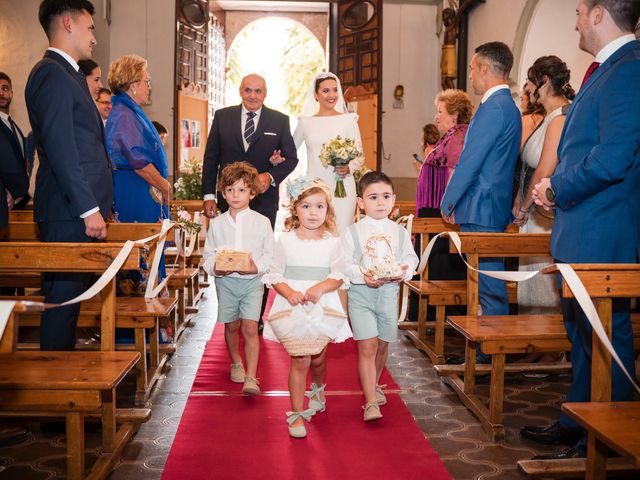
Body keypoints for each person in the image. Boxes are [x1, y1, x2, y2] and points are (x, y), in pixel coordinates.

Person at [524, 0, 640, 460]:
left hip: (603, 229)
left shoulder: (629, 71)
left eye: (578, 11)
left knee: (606, 337)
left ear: (599, 14)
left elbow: (613, 159)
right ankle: (578, 420)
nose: (573, 20)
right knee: (581, 333)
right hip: (583, 226)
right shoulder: (604, 70)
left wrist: (556, 189)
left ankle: (607, 436)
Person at [25, 0, 112, 351]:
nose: (94, 38)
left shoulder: (69, 75)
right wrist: (88, 208)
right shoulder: (51, 73)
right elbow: (62, 149)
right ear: (67, 23)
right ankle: (55, 396)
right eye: (90, 28)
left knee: (70, 305)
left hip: (72, 210)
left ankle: (66, 393)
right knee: (61, 307)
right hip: (68, 212)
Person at [440, 42, 521, 362]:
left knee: (489, 286)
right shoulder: (504, 106)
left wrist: (448, 200)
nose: (470, 74)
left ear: (486, 69)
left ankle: (491, 354)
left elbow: (471, 160)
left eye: (473, 68)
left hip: (483, 206)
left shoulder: (496, 107)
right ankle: (485, 351)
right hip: (487, 205)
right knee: (484, 283)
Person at [262, 176, 351, 438]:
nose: (313, 212)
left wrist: (320, 287)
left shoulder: (333, 242)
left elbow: (338, 275)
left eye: (319, 206)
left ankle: (318, 386)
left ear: (328, 210)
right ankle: (297, 413)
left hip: (321, 304)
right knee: (300, 358)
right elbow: (275, 273)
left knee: (319, 357)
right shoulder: (286, 241)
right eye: (306, 206)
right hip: (295, 306)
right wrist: (289, 292)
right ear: (295, 209)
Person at [343, 172, 419, 421]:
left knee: (383, 344)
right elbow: (345, 263)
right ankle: (370, 401)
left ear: (394, 199)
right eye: (373, 197)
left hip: (388, 294)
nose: (380, 202)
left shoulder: (398, 232)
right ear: (361, 202)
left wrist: (405, 271)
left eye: (386, 196)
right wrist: (361, 275)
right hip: (361, 294)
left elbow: (410, 258)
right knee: (367, 345)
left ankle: (373, 383)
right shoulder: (352, 232)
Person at [202, 162, 274, 396]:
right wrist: (216, 269)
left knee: (251, 327)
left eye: (242, 190)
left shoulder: (262, 222)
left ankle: (252, 377)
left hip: (253, 283)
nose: (236, 195)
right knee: (232, 326)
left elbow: (270, 255)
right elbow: (208, 256)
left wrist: (256, 268)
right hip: (226, 283)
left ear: (252, 193)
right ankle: (236, 362)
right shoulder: (217, 224)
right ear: (223, 193)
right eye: (231, 190)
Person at [106, 54, 171, 298]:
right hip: (134, 191)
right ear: (133, 85)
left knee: (148, 252)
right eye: (147, 81)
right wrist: (164, 185)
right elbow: (137, 159)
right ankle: (134, 325)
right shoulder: (124, 114)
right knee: (139, 255)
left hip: (139, 190)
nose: (150, 86)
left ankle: (148, 321)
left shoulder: (129, 110)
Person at [513, 56, 574, 315]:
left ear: (544, 82)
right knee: (532, 280)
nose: (528, 90)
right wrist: (519, 197)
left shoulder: (560, 118)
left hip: (544, 213)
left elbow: (545, 169)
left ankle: (547, 345)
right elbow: (529, 165)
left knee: (542, 282)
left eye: (530, 83)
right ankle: (536, 344)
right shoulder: (547, 117)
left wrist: (524, 205)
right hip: (534, 210)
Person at [202, 73, 298, 228]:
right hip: (229, 199)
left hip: (264, 201)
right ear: (241, 91)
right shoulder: (222, 117)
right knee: (229, 249)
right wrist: (209, 196)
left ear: (265, 93)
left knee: (260, 249)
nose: (253, 96)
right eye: (248, 90)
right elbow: (210, 159)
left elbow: (291, 159)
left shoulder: (279, 120)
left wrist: (270, 176)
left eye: (258, 91)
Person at [293, 71, 364, 234]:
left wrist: (348, 167)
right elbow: (289, 150)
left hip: (342, 186)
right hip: (314, 185)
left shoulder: (349, 120)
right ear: (316, 94)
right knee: (316, 231)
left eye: (334, 90)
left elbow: (359, 155)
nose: (331, 95)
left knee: (340, 230)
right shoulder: (306, 122)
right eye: (326, 91)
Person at [0, 71, 29, 228]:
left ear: (11, 93)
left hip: (15, 199)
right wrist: (13, 192)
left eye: (5, 89)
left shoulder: (14, 126)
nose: (1, 93)